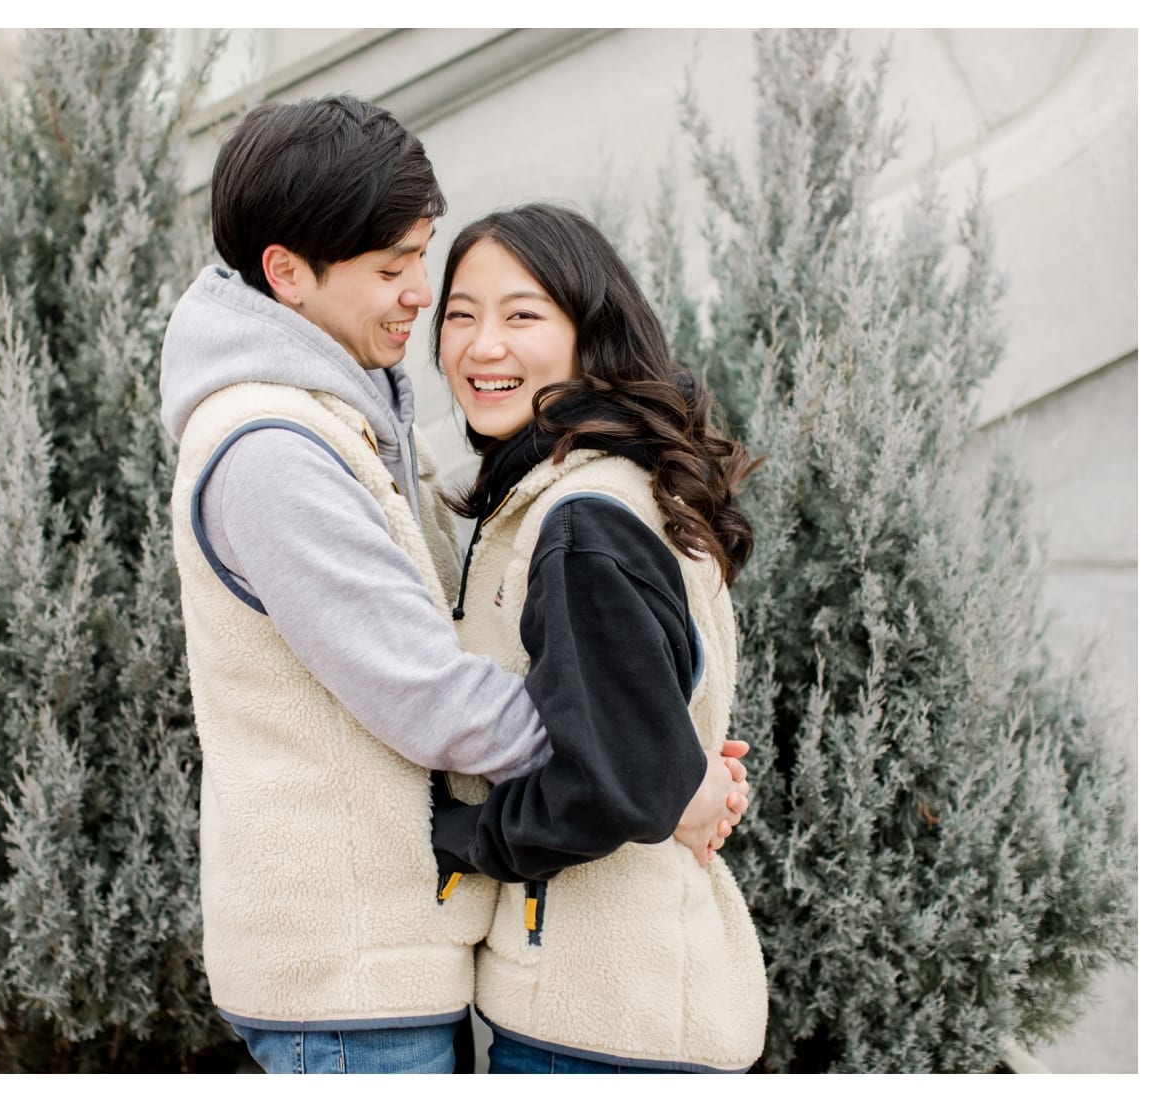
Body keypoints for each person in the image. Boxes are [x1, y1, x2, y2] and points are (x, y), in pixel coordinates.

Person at [161, 96, 750, 1074]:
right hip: (347, 968)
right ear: (287, 273)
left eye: (421, 261)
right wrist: (653, 775)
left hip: (457, 971)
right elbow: (428, 692)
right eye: (395, 269)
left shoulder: (526, 480)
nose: (422, 298)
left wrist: (640, 763)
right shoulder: (276, 449)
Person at [429, 203, 769, 1073]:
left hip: (608, 1020)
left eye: (522, 314)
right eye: (460, 314)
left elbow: (616, 783)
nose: (481, 345)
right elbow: (651, 746)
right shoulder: (609, 490)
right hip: (624, 1005)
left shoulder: (583, 519)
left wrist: (454, 836)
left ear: (592, 333)